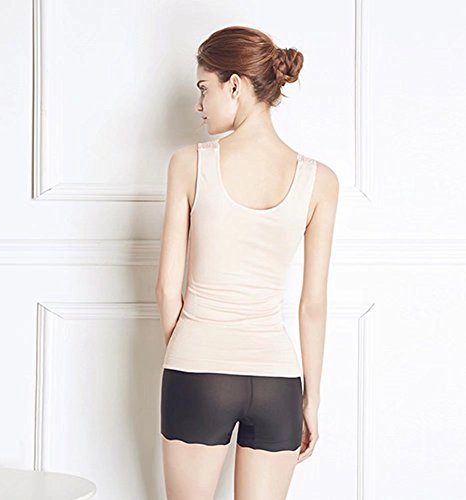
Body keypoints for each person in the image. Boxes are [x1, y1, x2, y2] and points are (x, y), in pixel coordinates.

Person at [155, 25, 339, 500]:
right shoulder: (320, 180)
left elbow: (167, 290)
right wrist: (311, 400)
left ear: (234, 85)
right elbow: (313, 305)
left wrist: (188, 359)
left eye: (204, 88)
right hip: (278, 381)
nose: (199, 104)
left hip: (198, 368)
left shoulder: (188, 163)